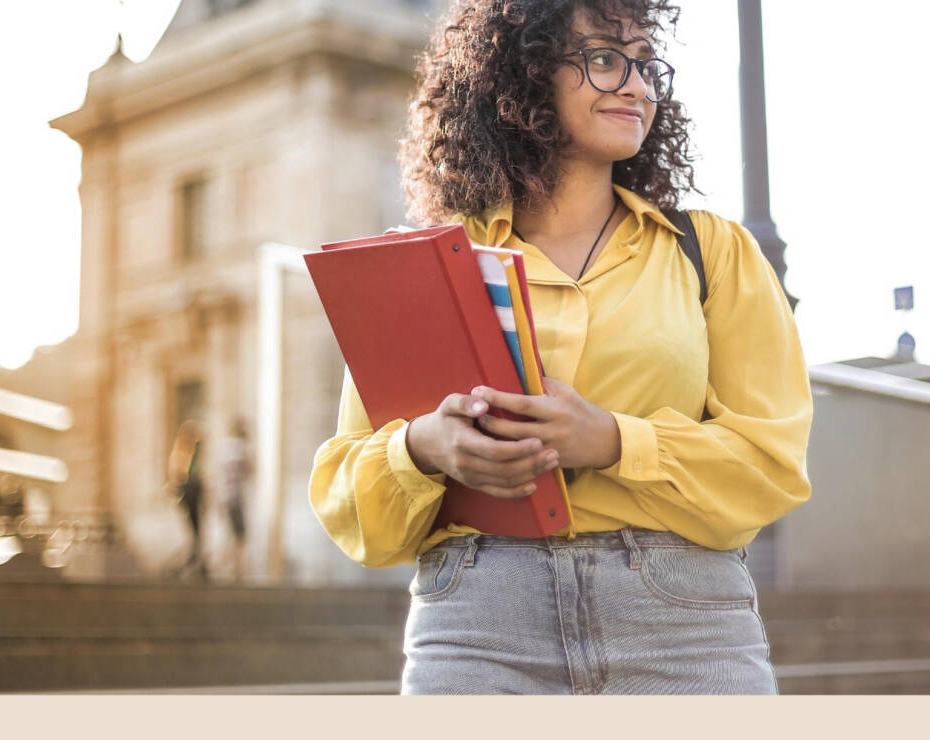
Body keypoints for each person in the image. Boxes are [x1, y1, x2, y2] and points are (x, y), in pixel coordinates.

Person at [308, 0, 812, 694]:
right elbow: (351, 503)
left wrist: (611, 440)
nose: (636, 86)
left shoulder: (713, 252)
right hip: (479, 625)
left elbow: (772, 465)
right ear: (525, 74)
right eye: (604, 58)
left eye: (646, 65)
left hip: (683, 623)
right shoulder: (428, 266)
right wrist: (424, 447)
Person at [168, 419, 207, 580]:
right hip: (189, 491)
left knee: (196, 530)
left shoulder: (190, 452)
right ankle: (194, 561)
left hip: (192, 491)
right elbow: (179, 474)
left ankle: (197, 562)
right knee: (194, 530)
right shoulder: (184, 452)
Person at [215, 417, 252, 581]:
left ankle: (229, 567)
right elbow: (248, 469)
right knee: (239, 535)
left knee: (230, 534)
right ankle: (236, 569)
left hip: (224, 496)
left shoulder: (223, 447)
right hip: (234, 497)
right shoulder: (238, 448)